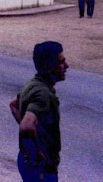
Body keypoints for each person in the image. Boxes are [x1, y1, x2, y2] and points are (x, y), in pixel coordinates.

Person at [9, 41, 69, 181]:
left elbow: (13, 105)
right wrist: (39, 153)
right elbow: (26, 125)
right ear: (49, 66)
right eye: (61, 62)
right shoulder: (43, 94)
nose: (66, 66)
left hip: (26, 160)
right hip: (40, 169)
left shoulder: (33, 84)